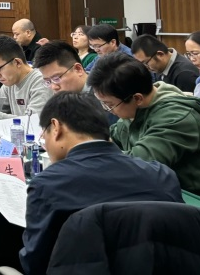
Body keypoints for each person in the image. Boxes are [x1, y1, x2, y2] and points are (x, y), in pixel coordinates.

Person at [18, 92, 183, 275]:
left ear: (56, 127)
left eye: (44, 135)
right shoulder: (161, 175)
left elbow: (35, 263)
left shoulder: (48, 184)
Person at [89, 53, 200, 208]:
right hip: (159, 192)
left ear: (137, 98)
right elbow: (111, 138)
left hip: (194, 205)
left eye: (109, 105)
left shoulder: (176, 118)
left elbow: (139, 164)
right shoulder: (134, 109)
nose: (107, 110)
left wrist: (95, 154)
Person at [131, 35, 198, 93]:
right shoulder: (160, 67)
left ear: (160, 54)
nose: (146, 67)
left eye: (145, 63)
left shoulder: (184, 74)